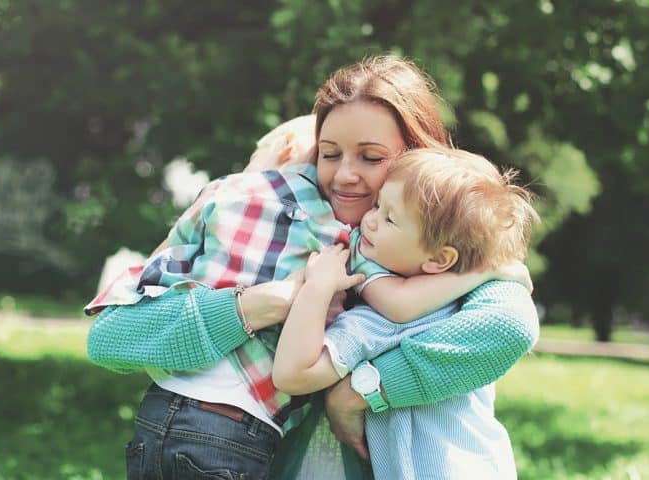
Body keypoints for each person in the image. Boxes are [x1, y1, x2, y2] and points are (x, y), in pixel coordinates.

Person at [85, 56, 538, 479]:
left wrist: (358, 393)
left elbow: (507, 328)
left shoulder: (461, 247)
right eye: (328, 154)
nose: (344, 176)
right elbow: (111, 336)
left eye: (373, 158)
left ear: (420, 159)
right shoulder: (283, 223)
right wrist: (260, 304)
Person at [272, 147, 539, 479]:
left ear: (440, 260)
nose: (368, 220)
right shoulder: (466, 308)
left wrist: (318, 286)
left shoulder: (384, 324)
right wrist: (488, 270)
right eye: (377, 205)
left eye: (388, 218)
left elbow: (291, 375)